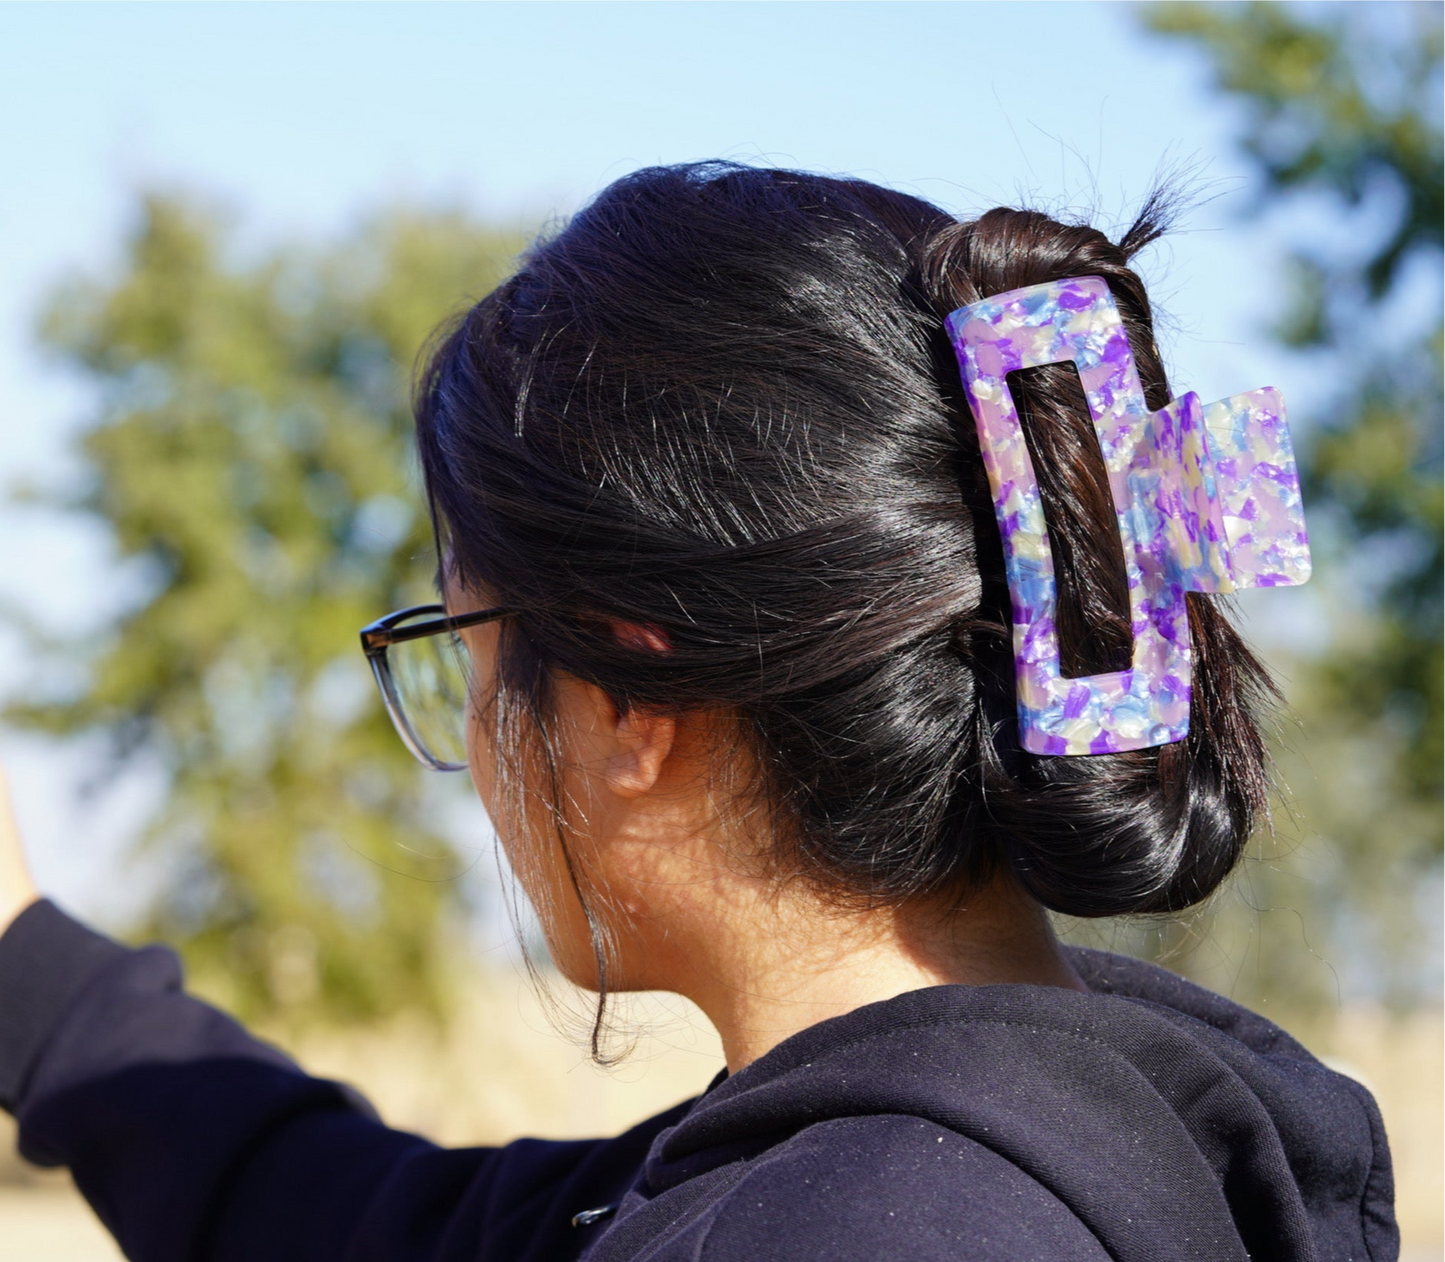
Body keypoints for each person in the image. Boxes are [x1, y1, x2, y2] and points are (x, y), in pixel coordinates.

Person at [0, 162, 1397, 1262]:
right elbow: (358, 1219)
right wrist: (27, 961)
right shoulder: (1069, 1143)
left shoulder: (839, 1230)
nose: (473, 738)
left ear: (621, 691)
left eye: (464, 635)